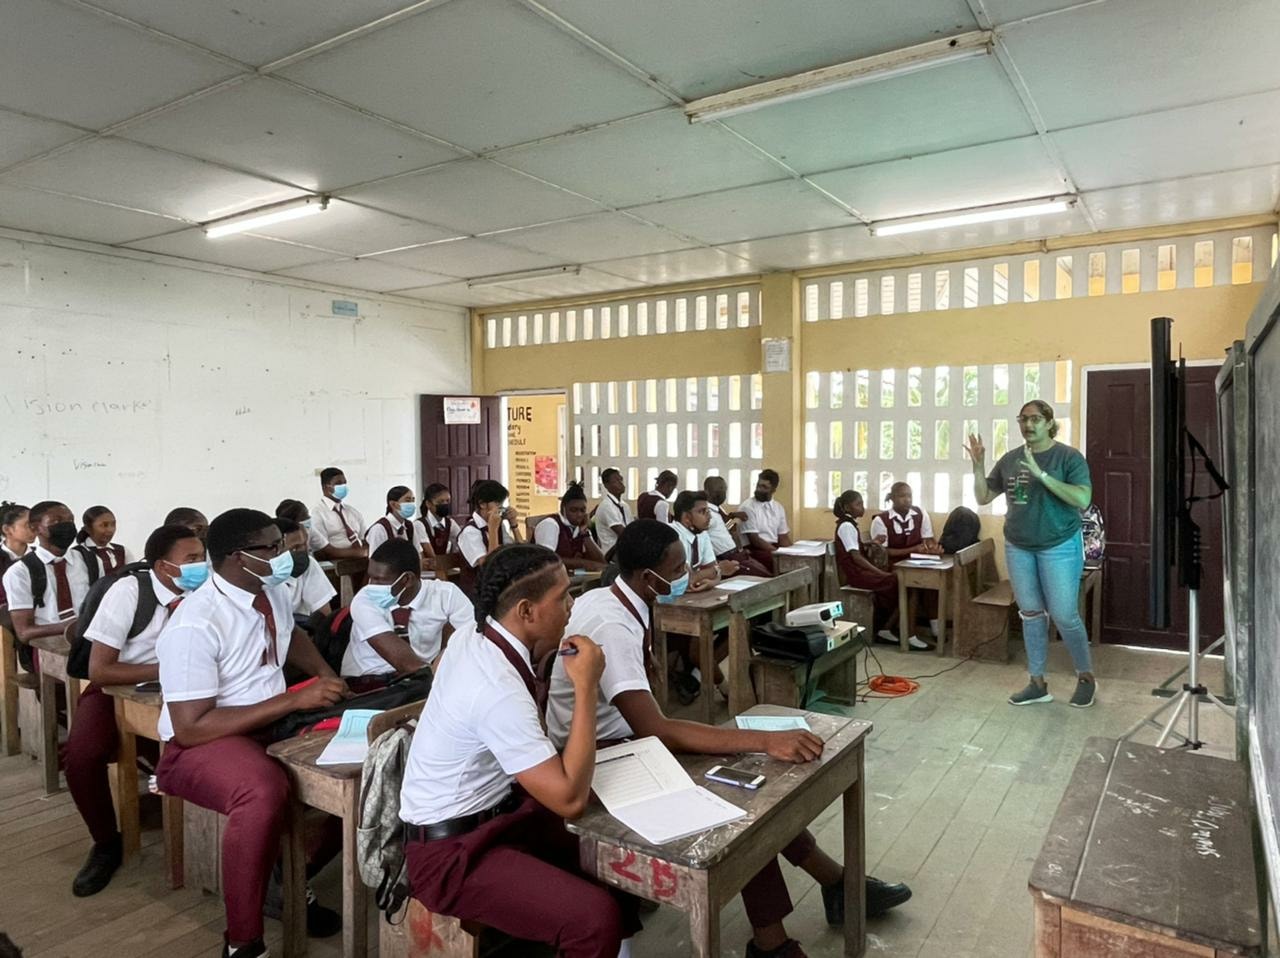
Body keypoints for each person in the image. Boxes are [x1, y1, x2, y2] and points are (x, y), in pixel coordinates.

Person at [546, 521, 912, 958]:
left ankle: (834, 884)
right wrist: (762, 741)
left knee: (748, 791)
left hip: (626, 743)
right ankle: (779, 937)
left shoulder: (619, 598)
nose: (687, 573)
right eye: (678, 567)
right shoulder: (612, 624)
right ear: (648, 577)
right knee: (734, 804)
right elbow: (657, 730)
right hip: (599, 759)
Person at [399, 544, 639, 958]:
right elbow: (569, 800)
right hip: (452, 854)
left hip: (499, 814)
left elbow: (442, 670)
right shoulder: (495, 687)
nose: (572, 604)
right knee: (593, 919)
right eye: (563, 596)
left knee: (610, 851)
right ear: (526, 612)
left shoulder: (478, 636)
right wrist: (585, 686)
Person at [154, 509, 347, 958]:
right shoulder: (195, 621)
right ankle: (243, 941)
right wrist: (295, 700)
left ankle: (291, 880)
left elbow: (289, 636)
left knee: (366, 761)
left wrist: (325, 675)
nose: (286, 555)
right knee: (262, 790)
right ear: (241, 558)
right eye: (274, 548)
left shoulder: (269, 589)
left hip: (268, 720)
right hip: (201, 743)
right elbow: (191, 726)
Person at [64, 524, 206, 897]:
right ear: (163, 566)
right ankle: (106, 842)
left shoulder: (205, 593)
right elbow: (100, 669)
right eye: (191, 559)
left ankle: (201, 837)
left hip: (185, 691)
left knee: (195, 750)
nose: (201, 565)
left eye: (202, 557)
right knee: (81, 756)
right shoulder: (129, 592)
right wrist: (170, 666)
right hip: (119, 686)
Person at [967, 400, 1097, 708]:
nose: (1028, 424)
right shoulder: (1011, 459)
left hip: (1060, 546)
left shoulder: (1068, 457)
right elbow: (984, 496)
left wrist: (1042, 475)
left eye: (1035, 418)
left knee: (1065, 615)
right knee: (1031, 614)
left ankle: (1086, 677)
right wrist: (977, 465)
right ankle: (1037, 682)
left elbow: (1082, 498)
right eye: (1023, 419)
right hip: (1019, 545)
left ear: (1049, 423)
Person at [341, 539, 472, 686]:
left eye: (379, 580)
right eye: (371, 577)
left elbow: (477, 636)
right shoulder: (364, 600)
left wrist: (449, 655)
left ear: (407, 580)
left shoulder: (446, 594)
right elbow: (405, 663)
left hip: (423, 678)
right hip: (370, 681)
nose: (371, 585)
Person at [2, 500, 92, 645]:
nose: (67, 525)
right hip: (48, 645)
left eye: (71, 520)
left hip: (91, 639)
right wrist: (71, 626)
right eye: (56, 521)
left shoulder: (90, 561)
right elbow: (24, 632)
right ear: (35, 528)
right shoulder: (19, 572)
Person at [832, 491, 911, 647]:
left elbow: (856, 548)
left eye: (862, 503)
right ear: (847, 507)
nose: (862, 507)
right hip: (855, 575)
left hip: (859, 572)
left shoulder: (850, 524)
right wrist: (880, 572)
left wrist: (872, 543)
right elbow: (856, 557)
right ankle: (883, 627)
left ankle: (884, 626)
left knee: (898, 582)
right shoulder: (846, 526)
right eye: (858, 504)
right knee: (896, 582)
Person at [456, 480, 521, 595]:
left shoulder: (497, 526)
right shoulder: (470, 532)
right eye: (497, 504)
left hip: (499, 587)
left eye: (502, 504)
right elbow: (489, 565)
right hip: (478, 592)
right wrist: (492, 530)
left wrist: (514, 525)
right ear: (482, 504)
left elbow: (519, 551)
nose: (500, 508)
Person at [703, 476, 771, 577]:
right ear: (707, 491)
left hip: (737, 553)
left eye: (723, 490)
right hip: (727, 557)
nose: (721, 493)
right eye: (718, 489)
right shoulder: (706, 513)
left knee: (767, 573)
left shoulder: (717, 509)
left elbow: (724, 525)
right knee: (763, 577)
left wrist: (733, 515)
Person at [274, 517, 336, 626]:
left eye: (304, 544)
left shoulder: (309, 564)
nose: (303, 552)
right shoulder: (260, 571)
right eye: (295, 548)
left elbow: (323, 613)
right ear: (275, 550)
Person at [672, 490, 737, 591]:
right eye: (702, 511)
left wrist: (711, 583)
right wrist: (718, 569)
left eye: (708, 511)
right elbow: (684, 580)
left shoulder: (702, 534)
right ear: (687, 518)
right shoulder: (673, 536)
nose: (709, 516)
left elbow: (714, 572)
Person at [534, 482, 607, 571]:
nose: (579, 515)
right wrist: (584, 563)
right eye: (573, 510)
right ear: (563, 508)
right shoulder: (551, 524)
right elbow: (547, 560)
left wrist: (585, 534)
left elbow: (601, 561)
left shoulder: (580, 528)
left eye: (582, 510)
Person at [870, 483, 942, 561]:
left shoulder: (921, 513)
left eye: (909, 496)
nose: (907, 500)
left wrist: (932, 549)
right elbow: (882, 552)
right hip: (893, 564)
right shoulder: (880, 520)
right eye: (902, 496)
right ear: (893, 498)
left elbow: (927, 540)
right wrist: (912, 550)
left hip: (918, 561)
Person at [739, 469, 793, 574]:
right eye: (758, 485)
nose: (759, 489)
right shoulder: (748, 507)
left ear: (773, 490)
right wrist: (777, 553)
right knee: (781, 564)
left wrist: (793, 552)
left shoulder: (778, 507)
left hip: (774, 547)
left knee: (797, 563)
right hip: (756, 550)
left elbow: (783, 537)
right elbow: (755, 540)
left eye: (764, 487)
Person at [311, 467, 366, 560]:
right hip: (337, 562)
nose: (343, 486)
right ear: (325, 487)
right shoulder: (317, 514)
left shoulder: (352, 512)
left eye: (344, 483)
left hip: (361, 558)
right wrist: (357, 553)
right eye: (338, 483)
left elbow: (364, 538)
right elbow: (323, 549)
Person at [364, 485, 433, 560]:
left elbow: (418, 553)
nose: (412, 504)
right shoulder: (379, 529)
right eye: (407, 500)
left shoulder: (409, 526)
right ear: (393, 504)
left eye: (413, 500)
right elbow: (375, 561)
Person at [74, 505, 134, 579]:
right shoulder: (78, 553)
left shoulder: (122, 551)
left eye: (113, 524)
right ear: (88, 529)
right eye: (104, 525)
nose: (110, 530)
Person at [0, 501, 35, 608]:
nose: (34, 528)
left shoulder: (40, 556)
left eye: (35, 524)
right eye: (28, 525)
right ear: (7, 529)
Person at [594, 468, 632, 559]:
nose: (621, 483)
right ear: (606, 485)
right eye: (616, 480)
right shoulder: (607, 506)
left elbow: (631, 529)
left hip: (624, 549)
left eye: (621, 479)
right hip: (611, 553)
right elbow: (623, 533)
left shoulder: (624, 506)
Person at [417, 483, 460, 559]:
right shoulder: (419, 524)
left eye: (447, 501)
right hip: (427, 568)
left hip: (444, 566)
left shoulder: (450, 523)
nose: (445, 504)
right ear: (428, 504)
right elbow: (429, 552)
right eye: (440, 502)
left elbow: (461, 539)